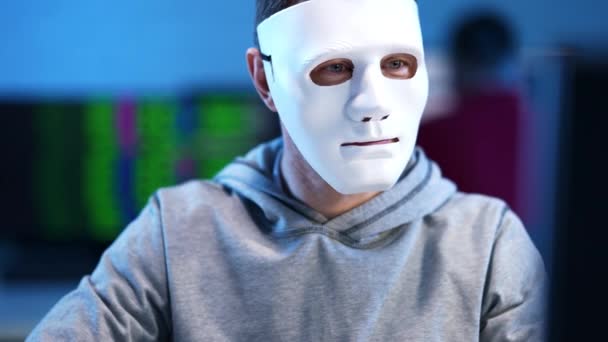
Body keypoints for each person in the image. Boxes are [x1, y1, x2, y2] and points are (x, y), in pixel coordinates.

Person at [28, 0, 546, 341]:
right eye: (335, 68)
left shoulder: (488, 244)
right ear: (265, 79)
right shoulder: (178, 230)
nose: (373, 104)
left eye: (396, 65)